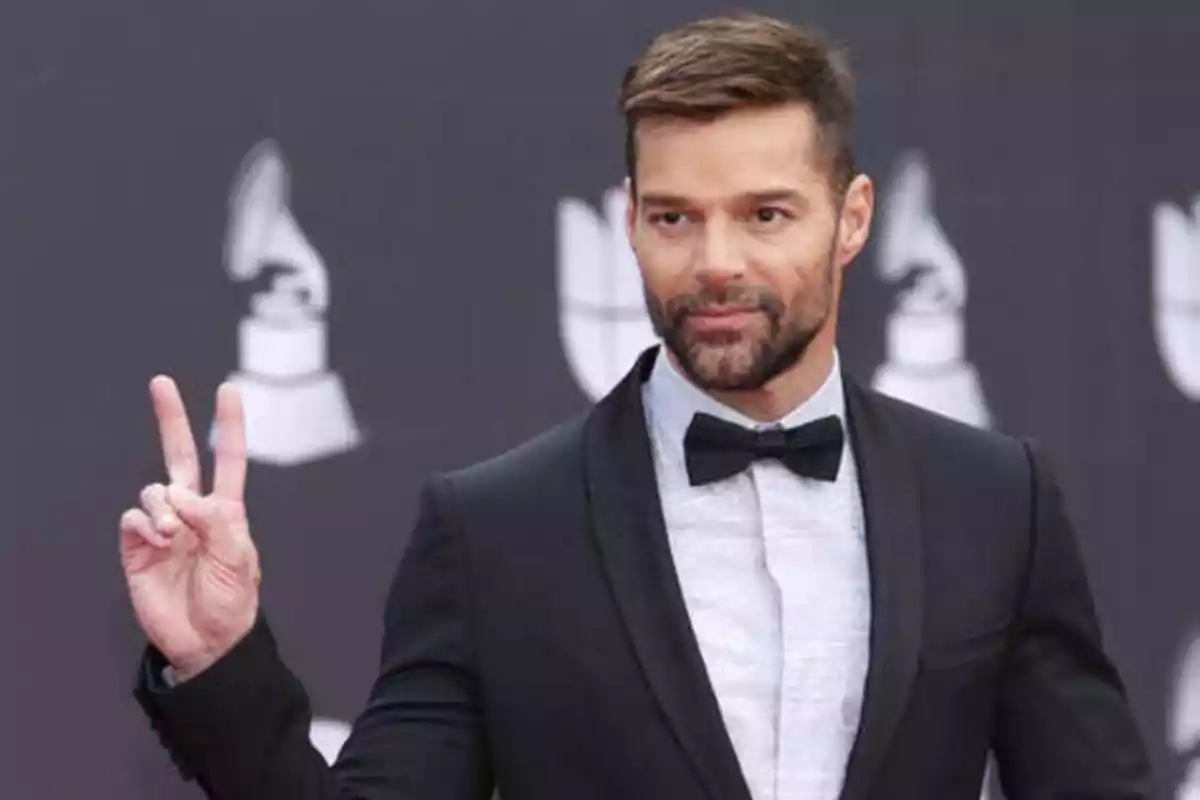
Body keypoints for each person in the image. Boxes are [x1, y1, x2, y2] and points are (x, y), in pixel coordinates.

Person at [121, 12, 1154, 800]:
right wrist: (219, 661)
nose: (715, 262)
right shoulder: (495, 531)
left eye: (765, 214)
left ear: (852, 220)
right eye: (675, 216)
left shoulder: (994, 501)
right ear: (630, 222)